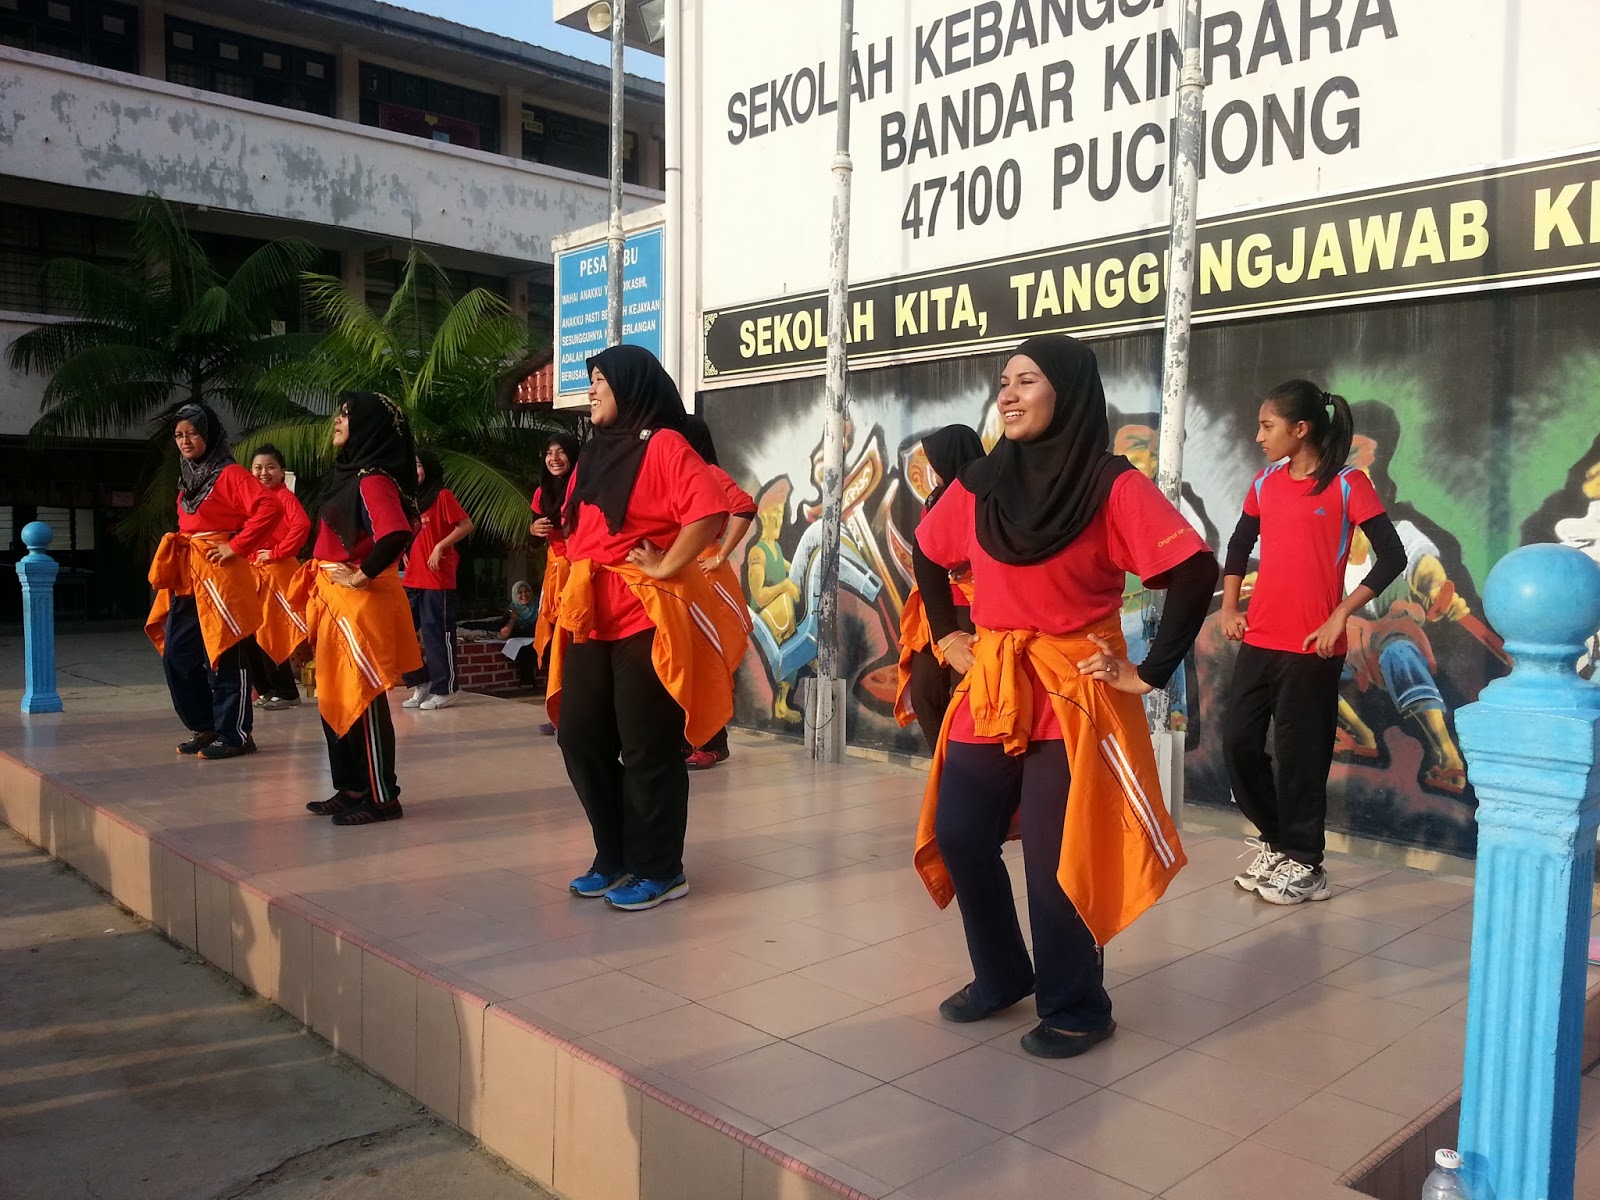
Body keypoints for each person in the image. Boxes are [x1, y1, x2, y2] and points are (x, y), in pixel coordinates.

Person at [912, 335, 1217, 1059]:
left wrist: (1148, 669)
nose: (1008, 395)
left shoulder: (1113, 485)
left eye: (1027, 381)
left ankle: (1077, 1003)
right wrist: (944, 635)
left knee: (1055, 861)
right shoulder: (981, 481)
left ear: (1070, 392)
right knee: (959, 832)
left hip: (1075, 692)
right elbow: (927, 547)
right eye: (1003, 382)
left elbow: (1194, 571)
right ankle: (1001, 973)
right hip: (995, 681)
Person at [546, 345, 740, 911]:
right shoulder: (593, 451)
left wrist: (665, 565)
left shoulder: (664, 444)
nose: (592, 390)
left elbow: (707, 512)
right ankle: (615, 855)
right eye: (591, 380)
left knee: (646, 744)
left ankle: (660, 868)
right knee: (579, 734)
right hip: (590, 612)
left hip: (644, 613)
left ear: (631, 386)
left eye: (601, 379)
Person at [1219, 380, 1406, 904]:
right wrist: (1232, 607)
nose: (1259, 436)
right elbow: (1238, 544)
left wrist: (1339, 616)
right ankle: (1279, 841)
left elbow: (1393, 557)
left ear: (1300, 430)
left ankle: (1307, 863)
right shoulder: (1265, 482)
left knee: (1300, 756)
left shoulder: (1349, 484)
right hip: (1260, 638)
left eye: (1267, 426)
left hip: (1312, 647)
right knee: (1237, 742)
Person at [290, 391, 422, 825]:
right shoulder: (351, 477)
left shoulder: (372, 480)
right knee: (334, 693)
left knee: (362, 698)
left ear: (368, 428)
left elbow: (396, 533)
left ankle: (383, 797)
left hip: (357, 604)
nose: (337, 421)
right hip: (335, 599)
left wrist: (362, 574)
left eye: (346, 415)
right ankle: (351, 788)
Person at [146, 404, 277, 760]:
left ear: (209, 434)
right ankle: (206, 724)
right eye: (178, 435)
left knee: (226, 653)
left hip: (221, 575)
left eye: (192, 433)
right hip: (189, 575)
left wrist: (236, 546)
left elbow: (269, 508)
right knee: (177, 654)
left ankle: (235, 735)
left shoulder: (230, 473)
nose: (185, 441)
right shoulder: (188, 476)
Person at [898, 425, 985, 752]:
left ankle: (963, 768)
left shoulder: (985, 496)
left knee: (964, 693)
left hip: (972, 608)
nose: (930, 467)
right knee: (924, 693)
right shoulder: (935, 499)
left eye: (934, 459)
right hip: (934, 610)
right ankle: (942, 762)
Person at [680, 413, 756, 770]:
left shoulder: (709, 472)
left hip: (706, 575)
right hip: (683, 576)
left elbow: (744, 506)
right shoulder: (678, 476)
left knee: (707, 659)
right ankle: (690, 738)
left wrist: (722, 554)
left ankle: (713, 741)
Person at [400, 449, 474, 711]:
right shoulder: (410, 500)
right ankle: (421, 681)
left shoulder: (442, 496)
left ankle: (446, 688)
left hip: (437, 577)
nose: (414, 471)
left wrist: (440, 546)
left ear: (428, 468)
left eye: (418, 465)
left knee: (436, 635)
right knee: (401, 633)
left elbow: (466, 525)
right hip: (412, 577)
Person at [246, 444, 311, 711]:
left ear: (282, 472)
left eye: (270, 467)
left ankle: (285, 691)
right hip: (255, 575)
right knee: (253, 634)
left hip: (276, 574)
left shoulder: (284, 498)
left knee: (272, 634)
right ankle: (269, 689)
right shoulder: (252, 501)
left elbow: (302, 525)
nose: (264, 472)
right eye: (258, 468)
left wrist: (276, 552)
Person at [531, 431, 581, 735]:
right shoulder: (542, 493)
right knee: (553, 643)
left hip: (578, 574)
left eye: (561, 452)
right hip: (554, 575)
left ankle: (574, 715)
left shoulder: (584, 488)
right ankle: (557, 713)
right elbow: (537, 535)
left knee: (575, 644)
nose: (554, 459)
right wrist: (533, 528)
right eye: (549, 453)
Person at [498, 580, 541, 687]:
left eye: (526, 591)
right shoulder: (511, 610)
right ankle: (527, 682)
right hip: (519, 645)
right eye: (520, 592)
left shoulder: (539, 607)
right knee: (525, 650)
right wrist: (512, 620)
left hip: (537, 641)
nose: (524, 595)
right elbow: (503, 635)